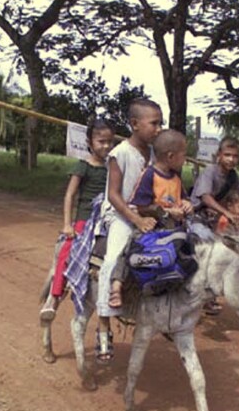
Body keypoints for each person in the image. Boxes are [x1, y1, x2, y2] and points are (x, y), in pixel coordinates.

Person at [95, 98, 162, 362]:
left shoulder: (156, 154)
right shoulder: (120, 153)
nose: (158, 129)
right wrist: (136, 220)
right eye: (154, 123)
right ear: (135, 124)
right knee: (112, 260)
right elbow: (113, 195)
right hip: (121, 215)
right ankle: (103, 326)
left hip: (147, 213)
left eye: (161, 124)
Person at [40, 118, 115, 322]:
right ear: (90, 143)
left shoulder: (113, 167)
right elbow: (70, 196)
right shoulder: (83, 166)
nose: (106, 146)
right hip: (85, 219)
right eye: (101, 141)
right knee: (68, 250)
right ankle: (54, 298)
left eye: (110, 141)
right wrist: (67, 224)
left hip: (108, 220)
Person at [108, 130, 193, 307]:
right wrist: (168, 212)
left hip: (173, 229)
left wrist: (186, 204)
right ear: (170, 156)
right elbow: (140, 205)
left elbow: (183, 197)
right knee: (130, 246)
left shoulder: (176, 177)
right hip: (153, 226)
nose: (186, 158)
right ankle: (116, 284)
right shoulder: (149, 175)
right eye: (184, 155)